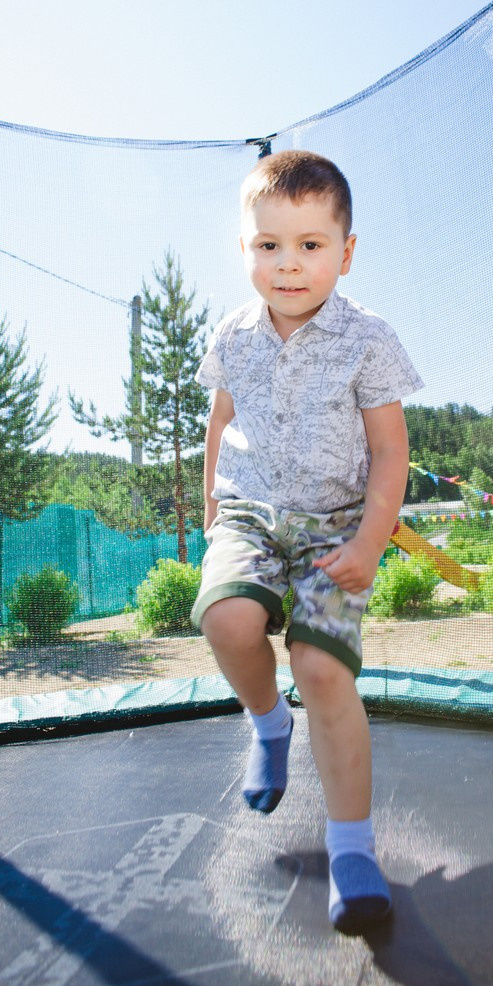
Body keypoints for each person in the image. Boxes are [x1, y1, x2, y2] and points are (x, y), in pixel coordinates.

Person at [191, 149, 423, 933]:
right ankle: (267, 723)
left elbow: (391, 450)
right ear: (246, 249)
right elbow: (221, 420)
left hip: (334, 525)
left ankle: (352, 847)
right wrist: (210, 499)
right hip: (251, 510)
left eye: (310, 245)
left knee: (323, 668)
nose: (288, 265)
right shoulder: (233, 333)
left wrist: (371, 538)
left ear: (345, 252)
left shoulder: (368, 339)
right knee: (225, 619)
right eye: (269, 246)